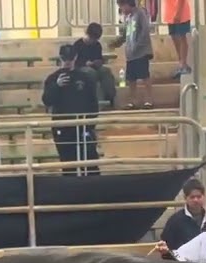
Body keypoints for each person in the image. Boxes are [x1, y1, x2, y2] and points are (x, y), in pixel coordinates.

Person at [42, 44, 101, 176]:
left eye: (70, 58)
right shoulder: (52, 79)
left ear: (75, 57)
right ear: (60, 58)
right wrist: (56, 86)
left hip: (83, 126)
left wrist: (90, 125)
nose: (67, 62)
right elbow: (47, 100)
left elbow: (93, 103)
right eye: (65, 58)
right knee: (68, 165)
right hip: (62, 127)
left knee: (91, 163)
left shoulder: (85, 78)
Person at [109, 0, 153, 110]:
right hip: (130, 55)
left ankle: (149, 99)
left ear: (127, 4)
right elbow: (125, 35)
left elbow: (144, 31)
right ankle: (132, 100)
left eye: (121, 7)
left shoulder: (140, 13)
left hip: (141, 52)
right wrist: (116, 42)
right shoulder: (127, 18)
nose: (121, 10)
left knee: (144, 76)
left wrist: (138, 45)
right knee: (131, 79)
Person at [159, 178, 206, 250]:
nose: (196, 200)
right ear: (185, 198)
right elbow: (166, 248)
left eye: (199, 196)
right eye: (192, 197)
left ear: (204, 197)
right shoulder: (175, 221)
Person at [72, 23, 116, 107]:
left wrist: (97, 62)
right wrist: (85, 63)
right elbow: (74, 61)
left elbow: (98, 58)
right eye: (92, 38)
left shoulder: (97, 45)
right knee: (90, 73)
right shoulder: (78, 45)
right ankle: (92, 99)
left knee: (106, 71)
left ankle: (110, 97)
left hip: (94, 67)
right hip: (81, 68)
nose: (93, 41)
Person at [162, 0, 194, 78]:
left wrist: (178, 12)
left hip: (181, 13)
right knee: (174, 37)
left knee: (181, 37)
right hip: (170, 13)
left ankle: (183, 63)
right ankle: (181, 63)